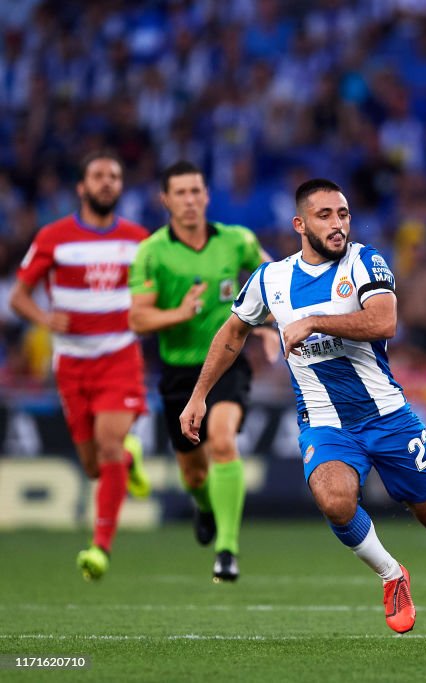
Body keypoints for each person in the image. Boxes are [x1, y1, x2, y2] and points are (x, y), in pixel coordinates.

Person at [178, 178, 426, 649]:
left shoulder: (365, 262)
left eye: (343, 214)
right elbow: (232, 333)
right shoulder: (271, 280)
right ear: (300, 224)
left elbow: (384, 321)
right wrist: (198, 397)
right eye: (325, 216)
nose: (338, 224)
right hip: (325, 421)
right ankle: (391, 572)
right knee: (334, 499)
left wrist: (313, 320)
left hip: (389, 417)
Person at [128, 160, 273, 582]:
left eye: (196, 191)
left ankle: (227, 550)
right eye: (181, 193)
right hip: (178, 372)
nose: (190, 200)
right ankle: (205, 505)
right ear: (165, 200)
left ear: (207, 195)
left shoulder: (237, 241)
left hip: (227, 362)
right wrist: (177, 313)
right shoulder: (152, 252)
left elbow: (273, 282)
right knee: (194, 472)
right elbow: (138, 320)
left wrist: (268, 325)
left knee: (223, 440)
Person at [9, 151, 151, 580]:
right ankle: (128, 458)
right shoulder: (54, 236)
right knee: (94, 466)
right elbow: (18, 297)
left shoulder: (139, 239)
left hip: (120, 358)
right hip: (71, 364)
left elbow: (155, 290)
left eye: (114, 176)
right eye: (98, 176)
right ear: (82, 187)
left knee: (106, 446)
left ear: (120, 187)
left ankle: (99, 548)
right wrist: (45, 318)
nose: (107, 182)